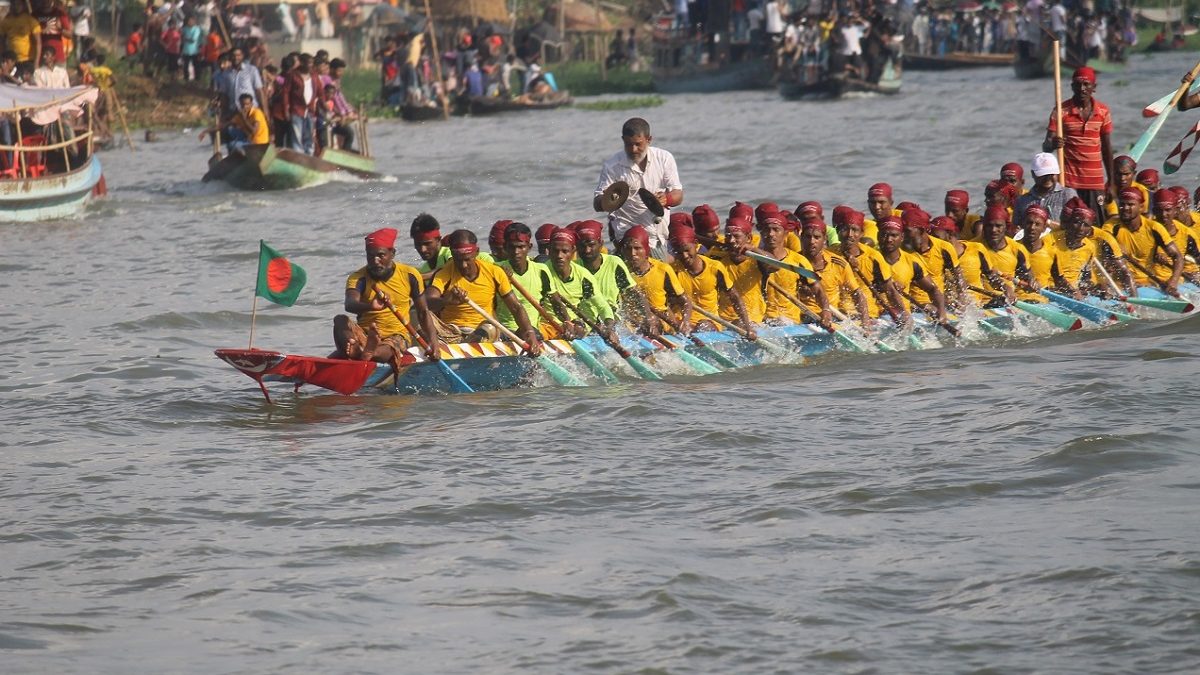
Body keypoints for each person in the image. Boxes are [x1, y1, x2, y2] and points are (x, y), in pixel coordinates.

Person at [423, 229, 542, 353]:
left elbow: (516, 308)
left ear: (477, 252)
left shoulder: (494, 272)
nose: (463, 265)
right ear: (452, 255)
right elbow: (427, 302)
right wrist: (446, 300)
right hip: (451, 332)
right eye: (458, 260)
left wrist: (529, 334)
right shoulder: (444, 273)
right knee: (421, 318)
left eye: (467, 259)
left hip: (483, 331)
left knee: (490, 327)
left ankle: (465, 346)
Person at [334, 227, 437, 367]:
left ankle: (370, 352)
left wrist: (433, 342)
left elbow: (423, 312)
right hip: (365, 332)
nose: (375, 261)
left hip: (397, 334)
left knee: (390, 346)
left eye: (381, 255)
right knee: (340, 320)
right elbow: (350, 304)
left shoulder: (410, 275)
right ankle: (356, 349)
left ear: (392, 253)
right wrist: (371, 306)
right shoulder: (358, 278)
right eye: (370, 256)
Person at [593, 117, 683, 257]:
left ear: (649, 140)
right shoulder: (612, 165)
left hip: (656, 236)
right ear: (623, 140)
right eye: (628, 144)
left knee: (657, 276)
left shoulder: (664, 158)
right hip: (626, 237)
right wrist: (607, 200)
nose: (633, 149)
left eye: (638, 144)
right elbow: (597, 203)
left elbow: (678, 194)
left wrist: (666, 199)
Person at [1043, 66, 1114, 217]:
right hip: (1069, 181)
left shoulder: (1103, 111)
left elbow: (1107, 149)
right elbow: (1046, 146)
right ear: (1072, 87)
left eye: (1086, 84)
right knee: (1071, 222)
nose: (1082, 88)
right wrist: (1054, 143)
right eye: (1078, 84)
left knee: (1096, 224)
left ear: (1094, 87)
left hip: (1095, 181)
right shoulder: (1061, 111)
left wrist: (1111, 183)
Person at [668, 218, 752, 335]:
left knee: (703, 326)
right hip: (681, 323)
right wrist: (676, 323)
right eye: (678, 252)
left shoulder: (715, 267)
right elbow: (664, 305)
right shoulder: (671, 271)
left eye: (687, 250)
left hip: (709, 322)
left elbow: (735, 298)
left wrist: (748, 327)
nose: (684, 256)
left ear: (696, 244)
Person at [834, 207, 909, 324]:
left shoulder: (873, 256)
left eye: (855, 230)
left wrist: (904, 315)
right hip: (836, 313)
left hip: (867, 314)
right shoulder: (828, 254)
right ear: (837, 231)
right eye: (845, 229)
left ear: (862, 233)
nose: (850, 234)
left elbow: (889, 290)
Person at [1103, 188, 1183, 294]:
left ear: (1141, 207)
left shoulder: (1154, 228)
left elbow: (1177, 257)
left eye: (1130, 204)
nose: (1125, 208)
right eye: (1122, 204)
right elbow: (1102, 250)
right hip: (1119, 285)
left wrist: (1173, 281)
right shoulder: (1110, 226)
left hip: (1146, 284)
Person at [620, 224, 692, 336]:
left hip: (660, 320)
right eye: (628, 249)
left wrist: (686, 321)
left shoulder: (663, 269)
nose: (633, 254)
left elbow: (685, 301)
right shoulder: (621, 271)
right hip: (632, 322)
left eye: (637, 248)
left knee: (653, 322)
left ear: (646, 249)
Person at [544, 226, 615, 339]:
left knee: (578, 328)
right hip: (547, 323)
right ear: (549, 250)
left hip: (574, 326)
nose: (559, 256)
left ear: (573, 251)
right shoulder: (541, 271)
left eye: (565, 251)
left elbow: (602, 307)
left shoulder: (583, 276)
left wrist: (610, 329)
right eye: (555, 251)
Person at [877, 216, 949, 322]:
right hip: (877, 316)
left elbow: (933, 290)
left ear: (902, 237)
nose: (889, 240)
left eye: (894, 235)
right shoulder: (870, 258)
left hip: (903, 316)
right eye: (884, 235)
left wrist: (941, 313)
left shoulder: (912, 262)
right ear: (878, 236)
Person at [799, 219, 869, 322]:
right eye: (808, 237)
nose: (812, 241)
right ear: (801, 238)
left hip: (831, 317)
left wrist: (866, 323)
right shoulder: (792, 262)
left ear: (825, 239)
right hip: (802, 318)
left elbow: (857, 294)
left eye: (817, 237)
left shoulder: (838, 263)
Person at [497, 222, 558, 337]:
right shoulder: (496, 269)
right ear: (505, 247)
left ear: (529, 247)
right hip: (504, 332)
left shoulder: (541, 270)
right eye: (512, 247)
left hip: (532, 332)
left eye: (521, 247)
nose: (516, 252)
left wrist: (567, 323)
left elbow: (556, 303)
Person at [903, 207, 966, 308]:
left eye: (907, 231)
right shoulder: (900, 251)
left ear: (921, 230)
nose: (903, 235)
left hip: (938, 304)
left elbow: (959, 278)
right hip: (913, 306)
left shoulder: (944, 248)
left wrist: (962, 302)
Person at [574, 219, 634, 314]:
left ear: (601, 244)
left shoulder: (614, 263)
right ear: (576, 246)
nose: (587, 250)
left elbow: (632, 292)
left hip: (613, 320)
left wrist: (649, 319)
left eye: (591, 245)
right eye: (582, 246)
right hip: (586, 322)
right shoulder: (573, 268)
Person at [1014, 152, 1079, 229]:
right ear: (1033, 174)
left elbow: (1076, 226)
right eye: (1044, 175)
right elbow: (1016, 226)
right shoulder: (1022, 201)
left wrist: (1048, 223)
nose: (1048, 178)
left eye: (1052, 174)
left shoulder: (1068, 195)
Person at [281, 52, 323, 154]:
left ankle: (309, 155)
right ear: (302, 63)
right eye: (308, 63)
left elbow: (320, 92)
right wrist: (286, 109)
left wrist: (322, 106)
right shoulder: (293, 75)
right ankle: (298, 155)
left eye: (312, 63)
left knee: (309, 135)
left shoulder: (314, 75)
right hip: (296, 110)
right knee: (297, 135)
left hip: (310, 110)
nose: (310, 65)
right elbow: (285, 93)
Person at [218, 47, 268, 119]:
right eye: (233, 55)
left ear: (242, 56)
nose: (236, 58)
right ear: (230, 57)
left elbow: (259, 91)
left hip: (251, 110)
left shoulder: (252, 70)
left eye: (238, 55)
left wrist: (265, 111)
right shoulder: (226, 74)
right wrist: (223, 114)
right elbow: (224, 95)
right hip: (234, 111)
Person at [1, 3, 42, 69]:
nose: (16, 7)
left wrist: (36, 62)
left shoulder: (30, 20)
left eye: (18, 4)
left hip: (27, 59)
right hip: (11, 60)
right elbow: (2, 41)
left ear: (23, 6)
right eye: (14, 4)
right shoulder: (6, 21)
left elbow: (38, 42)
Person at [180, 16, 203, 82]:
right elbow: (180, 36)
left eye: (191, 21)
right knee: (185, 66)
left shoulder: (197, 29)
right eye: (189, 21)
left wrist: (185, 38)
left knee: (196, 66)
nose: (190, 22)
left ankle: (197, 80)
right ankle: (186, 79)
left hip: (194, 51)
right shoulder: (185, 29)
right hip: (186, 51)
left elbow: (193, 39)